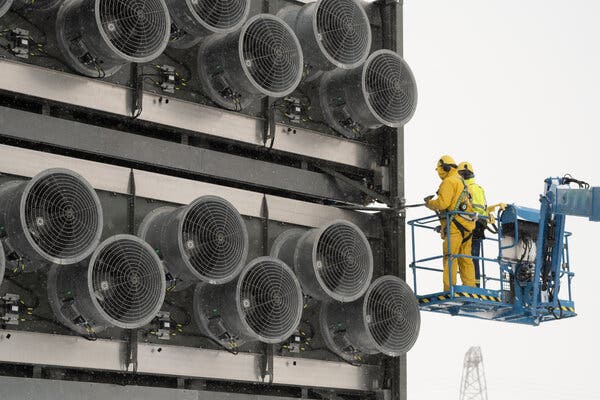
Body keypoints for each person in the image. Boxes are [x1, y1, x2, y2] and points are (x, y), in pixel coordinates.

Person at [425, 156, 477, 291]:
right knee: (466, 259)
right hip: (467, 227)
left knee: (450, 257)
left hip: (454, 227)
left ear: (445, 167)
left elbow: (443, 203)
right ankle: (470, 288)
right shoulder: (463, 182)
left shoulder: (449, 182)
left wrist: (430, 203)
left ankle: (449, 289)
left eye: (439, 170)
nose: (438, 173)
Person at [457, 162, 487, 287]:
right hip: (477, 225)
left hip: (473, 225)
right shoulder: (476, 188)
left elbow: (468, 210)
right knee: (472, 256)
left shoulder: (467, 190)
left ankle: (473, 285)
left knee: (469, 256)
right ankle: (474, 284)